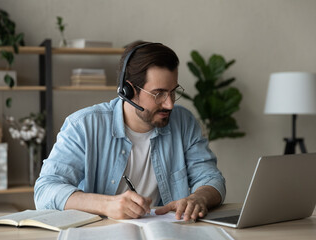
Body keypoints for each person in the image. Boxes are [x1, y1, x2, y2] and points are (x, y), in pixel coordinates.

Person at [34, 41, 226, 221]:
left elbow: (211, 178)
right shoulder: (83, 125)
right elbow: (45, 191)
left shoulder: (184, 122)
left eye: (173, 92)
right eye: (159, 94)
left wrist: (199, 198)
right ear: (128, 90)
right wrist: (107, 204)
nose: (170, 104)